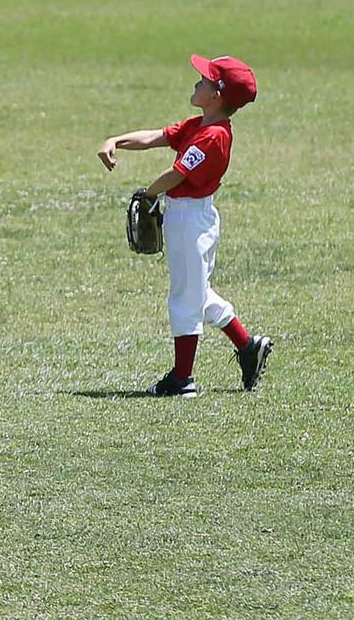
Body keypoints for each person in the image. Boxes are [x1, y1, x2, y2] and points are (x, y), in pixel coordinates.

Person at [98, 55, 272, 397]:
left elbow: (178, 173)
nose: (197, 82)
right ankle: (248, 345)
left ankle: (182, 379)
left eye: (204, 80)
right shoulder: (199, 125)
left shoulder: (213, 136)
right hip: (185, 216)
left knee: (184, 298)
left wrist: (148, 194)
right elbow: (156, 136)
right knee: (196, 292)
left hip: (191, 220)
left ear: (216, 95)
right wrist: (115, 140)